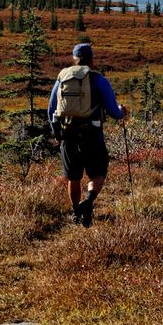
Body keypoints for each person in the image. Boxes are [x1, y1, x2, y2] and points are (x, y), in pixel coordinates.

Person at [48, 43, 128, 227]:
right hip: (92, 135)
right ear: (92, 59)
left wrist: (57, 133)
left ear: (74, 58)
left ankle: (76, 213)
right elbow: (113, 112)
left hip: (68, 134)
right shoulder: (99, 80)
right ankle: (88, 202)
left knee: (73, 177)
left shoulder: (62, 78)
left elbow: (51, 109)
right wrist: (122, 112)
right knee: (98, 173)